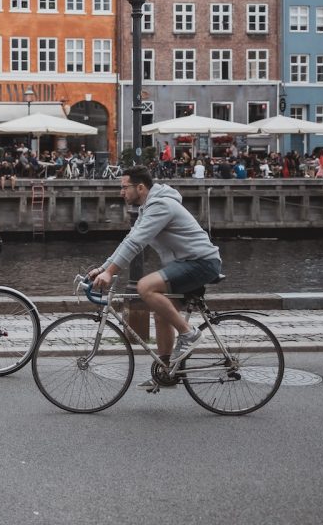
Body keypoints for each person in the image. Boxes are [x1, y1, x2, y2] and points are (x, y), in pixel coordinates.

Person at [89, 167, 223, 391]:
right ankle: (167, 372)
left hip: (201, 262)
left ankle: (190, 334)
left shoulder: (160, 206)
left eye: (124, 187)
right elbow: (129, 239)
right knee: (161, 314)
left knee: (145, 287)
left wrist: (110, 273)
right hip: (186, 263)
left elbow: (136, 243)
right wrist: (103, 267)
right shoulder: (148, 208)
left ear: (140, 187)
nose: (121, 192)